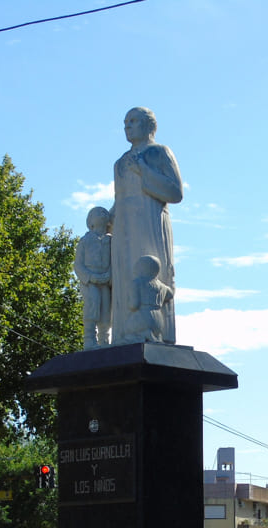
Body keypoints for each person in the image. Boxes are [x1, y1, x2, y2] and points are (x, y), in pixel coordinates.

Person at [109, 107, 182, 345]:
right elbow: (120, 198)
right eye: (125, 122)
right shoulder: (119, 162)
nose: (127, 126)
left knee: (153, 272)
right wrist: (105, 220)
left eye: (133, 121)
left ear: (149, 125)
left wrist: (143, 171)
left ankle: (158, 332)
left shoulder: (159, 153)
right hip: (124, 228)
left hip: (150, 220)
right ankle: (124, 333)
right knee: (125, 277)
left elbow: (174, 192)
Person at [73, 206, 112, 349]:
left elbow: (116, 260)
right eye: (97, 212)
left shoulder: (111, 240)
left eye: (104, 212)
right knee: (92, 306)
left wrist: (110, 275)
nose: (102, 213)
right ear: (90, 222)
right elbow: (78, 265)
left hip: (106, 280)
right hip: (90, 282)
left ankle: (104, 340)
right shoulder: (85, 240)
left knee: (106, 310)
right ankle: (89, 339)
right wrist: (90, 277)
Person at [121, 255, 173, 344]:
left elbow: (134, 305)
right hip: (158, 320)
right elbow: (170, 294)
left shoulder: (136, 283)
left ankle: (144, 334)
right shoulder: (162, 286)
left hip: (143, 316)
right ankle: (155, 336)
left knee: (127, 331)